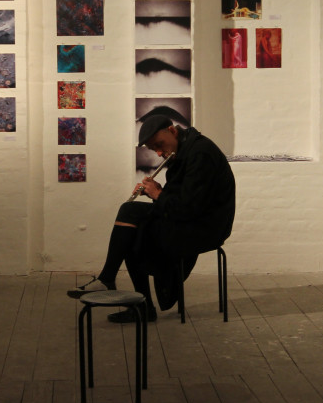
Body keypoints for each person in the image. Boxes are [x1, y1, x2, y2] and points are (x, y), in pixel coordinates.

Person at [68, 114, 236, 323]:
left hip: (205, 228)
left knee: (131, 223)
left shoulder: (200, 153)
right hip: (191, 219)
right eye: (153, 149)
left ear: (172, 131)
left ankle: (124, 291)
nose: (158, 152)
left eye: (159, 144)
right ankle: (120, 288)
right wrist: (157, 194)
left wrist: (158, 194)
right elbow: (182, 199)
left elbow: (189, 208)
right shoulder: (184, 151)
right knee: (130, 224)